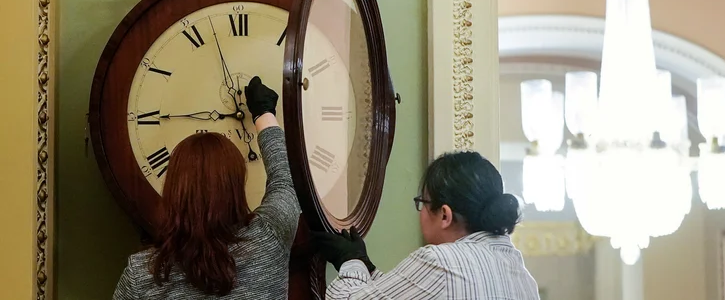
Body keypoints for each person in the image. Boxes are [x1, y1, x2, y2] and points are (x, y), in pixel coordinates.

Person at [113, 77, 300, 299]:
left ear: (174, 188)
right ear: (235, 186)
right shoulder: (269, 236)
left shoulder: (142, 274)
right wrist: (264, 114)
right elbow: (285, 181)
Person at [314, 151, 540, 299]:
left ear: (444, 215)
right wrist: (367, 266)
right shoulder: (522, 276)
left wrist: (349, 261)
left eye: (422, 202)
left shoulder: (441, 261)